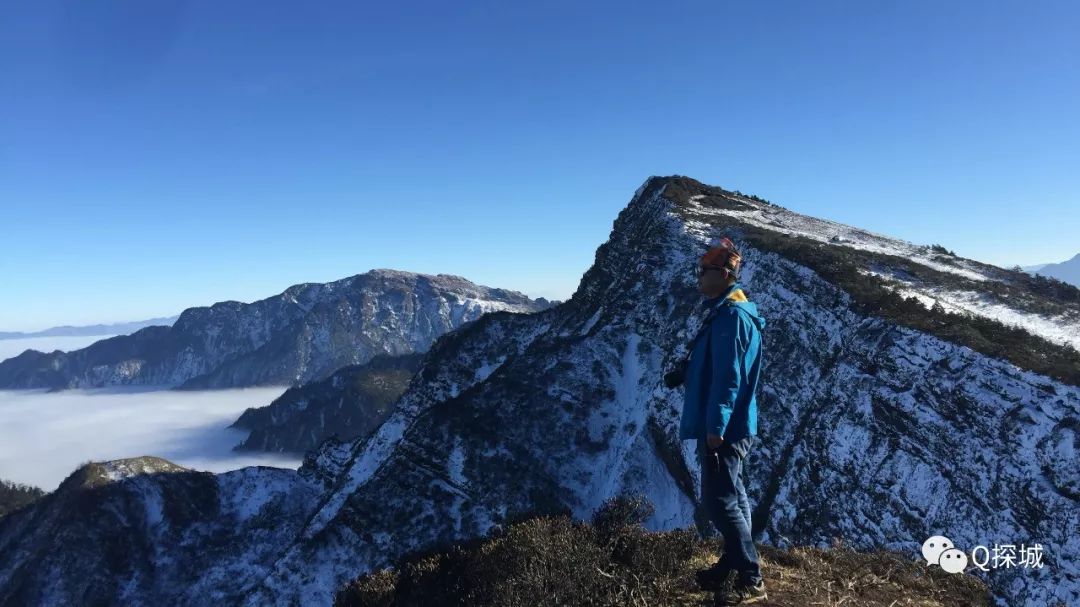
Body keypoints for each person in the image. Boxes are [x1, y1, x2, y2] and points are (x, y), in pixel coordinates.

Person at [672, 237, 767, 605]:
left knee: (719, 500)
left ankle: (751, 577)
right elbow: (720, 366)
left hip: (725, 426)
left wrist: (716, 428)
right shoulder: (729, 311)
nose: (698, 277)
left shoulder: (730, 318)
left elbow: (730, 378)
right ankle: (730, 566)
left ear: (724, 275)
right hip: (734, 422)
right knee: (734, 494)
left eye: (703, 271)